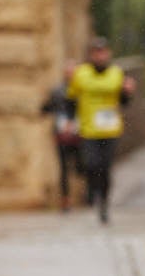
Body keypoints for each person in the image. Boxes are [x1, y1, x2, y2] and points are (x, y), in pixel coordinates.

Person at [66, 38, 136, 224]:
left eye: (103, 52)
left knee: (105, 167)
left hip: (110, 129)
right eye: (96, 52)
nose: (100, 56)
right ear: (91, 55)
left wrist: (127, 92)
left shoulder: (116, 73)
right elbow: (71, 99)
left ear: (108, 53)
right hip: (88, 128)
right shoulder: (81, 74)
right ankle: (92, 191)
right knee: (91, 164)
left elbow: (124, 101)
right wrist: (70, 120)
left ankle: (103, 202)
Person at [41, 60, 82, 212]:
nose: (70, 75)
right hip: (61, 133)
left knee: (82, 164)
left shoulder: (82, 90)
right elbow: (46, 107)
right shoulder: (57, 91)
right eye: (68, 72)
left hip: (80, 132)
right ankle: (66, 199)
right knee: (63, 167)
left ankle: (87, 194)